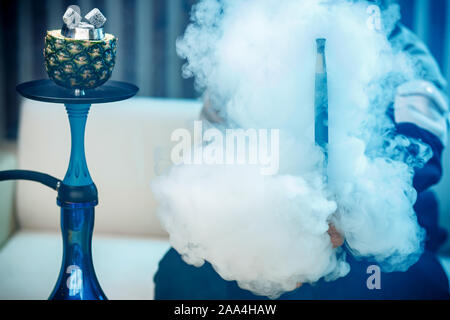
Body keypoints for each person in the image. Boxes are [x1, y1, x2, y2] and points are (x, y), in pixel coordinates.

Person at [153, 16, 450, 299]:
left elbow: (419, 156)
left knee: (412, 282)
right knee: (180, 274)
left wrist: (350, 215)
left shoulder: (408, 57)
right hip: (262, 225)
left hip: (372, 237)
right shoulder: (246, 47)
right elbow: (214, 153)